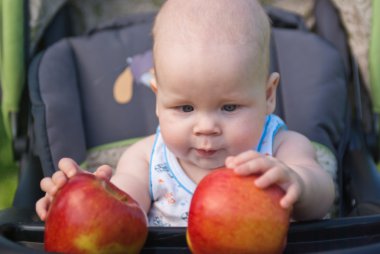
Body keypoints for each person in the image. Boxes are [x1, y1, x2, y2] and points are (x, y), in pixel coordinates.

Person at [36, 0, 335, 226]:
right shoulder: (146, 160)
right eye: (185, 108)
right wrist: (77, 203)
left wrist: (298, 183)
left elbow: (323, 197)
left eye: (229, 107)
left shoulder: (281, 148)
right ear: (158, 100)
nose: (205, 127)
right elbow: (121, 210)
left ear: (268, 96)